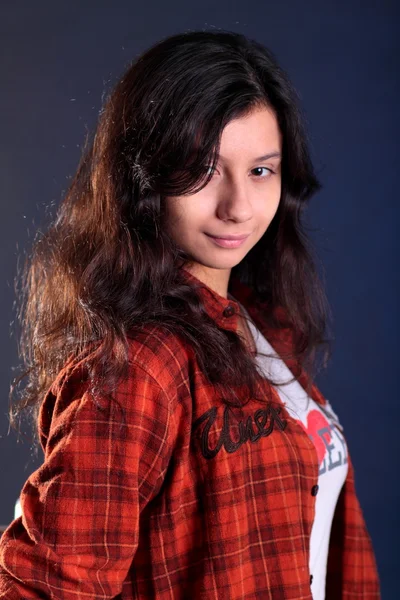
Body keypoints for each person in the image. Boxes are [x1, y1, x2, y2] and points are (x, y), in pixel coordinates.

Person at [0, 29, 380, 599]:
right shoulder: (140, 365)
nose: (237, 207)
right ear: (144, 174)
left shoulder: (257, 327)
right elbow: (46, 586)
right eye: (203, 168)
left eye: (260, 171)